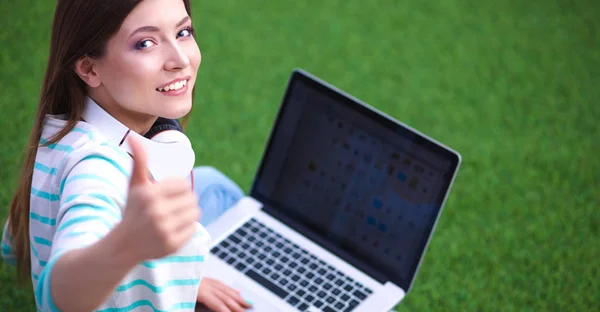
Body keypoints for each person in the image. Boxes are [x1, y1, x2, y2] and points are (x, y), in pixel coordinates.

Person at [0, 0, 252, 311]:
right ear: (90, 68)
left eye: (183, 32)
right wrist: (126, 245)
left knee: (215, 188)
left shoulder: (60, 132)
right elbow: (61, 297)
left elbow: (13, 239)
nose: (180, 60)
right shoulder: (95, 170)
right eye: (146, 43)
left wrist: (190, 279)